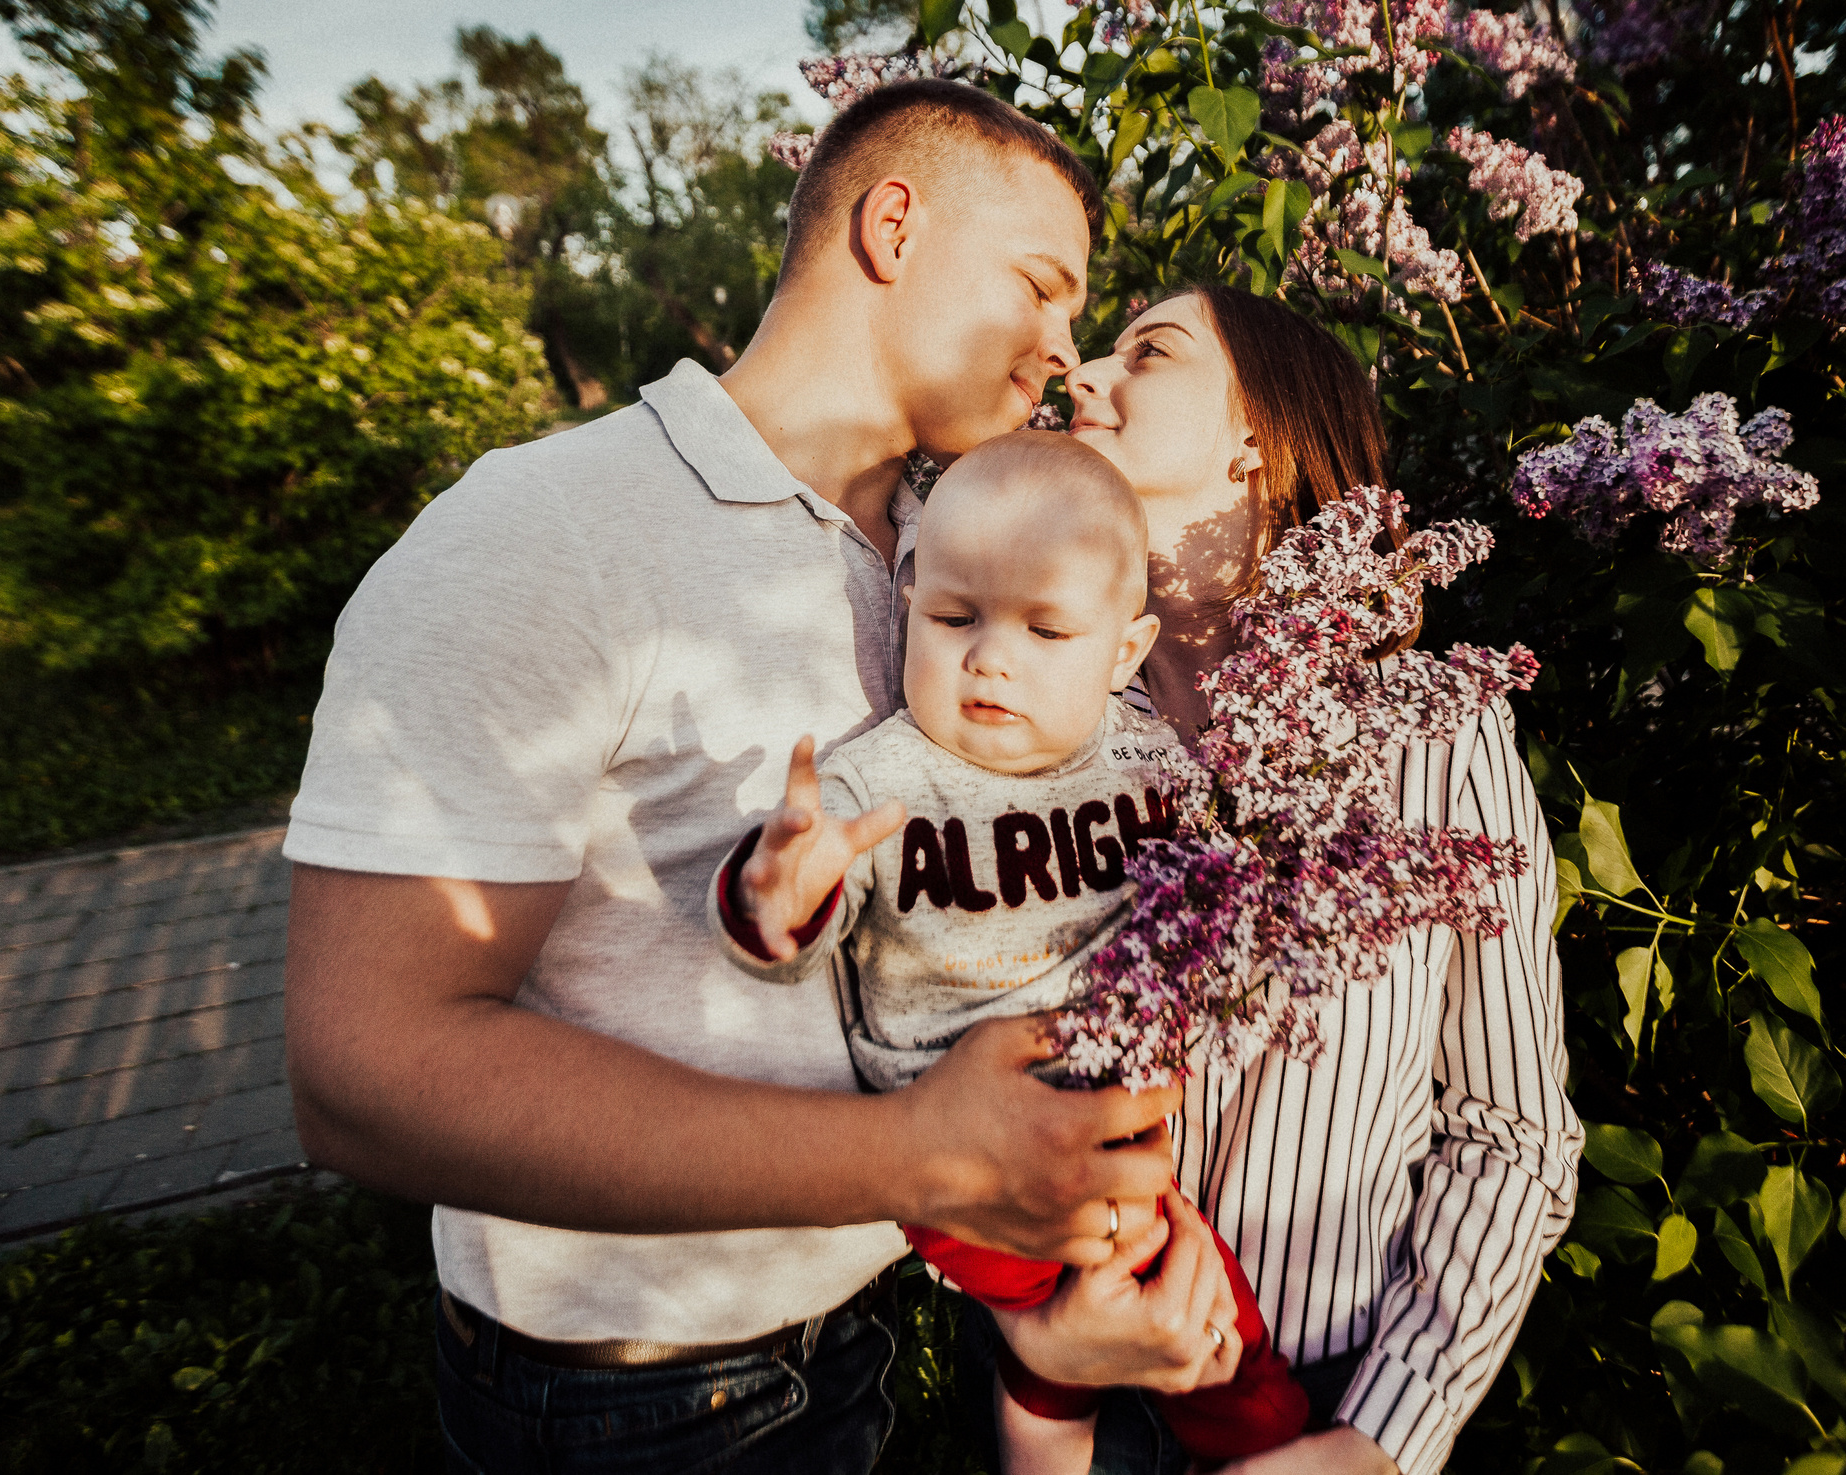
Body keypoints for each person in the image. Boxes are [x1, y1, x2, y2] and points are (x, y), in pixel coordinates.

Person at [278, 81, 1247, 1475]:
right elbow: (366, 1069)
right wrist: (920, 1157)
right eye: (1042, 286)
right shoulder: (545, 532)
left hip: (861, 1324)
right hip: (636, 1401)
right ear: (892, 224)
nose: (1063, 349)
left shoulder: (960, 552)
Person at [966, 285, 1585, 1475]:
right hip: (1059, 1392)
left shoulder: (1432, 740)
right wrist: (1038, 1342)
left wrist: (1377, 1444)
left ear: (1258, 437)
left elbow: (1509, 1133)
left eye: (1147, 352)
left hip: (1316, 1405)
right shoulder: (1030, 718)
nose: (1082, 377)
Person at [718, 431, 1312, 1474]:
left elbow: (1211, 882)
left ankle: (1256, 1440)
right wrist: (778, 895)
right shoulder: (877, 785)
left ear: (1123, 654)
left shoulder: (1138, 752)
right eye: (955, 619)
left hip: (1116, 1117)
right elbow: (796, 920)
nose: (990, 657)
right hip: (962, 1145)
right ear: (907, 608)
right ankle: (1092, 1412)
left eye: (1046, 630)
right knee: (1116, 1302)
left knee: (1207, 1309)